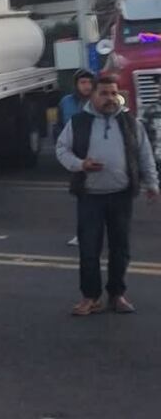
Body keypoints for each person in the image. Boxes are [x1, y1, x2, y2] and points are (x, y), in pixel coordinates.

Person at [56, 76, 159, 316]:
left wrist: (153, 184)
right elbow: (61, 149)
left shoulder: (130, 122)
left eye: (113, 93)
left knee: (120, 248)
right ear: (93, 96)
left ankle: (117, 295)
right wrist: (80, 164)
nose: (110, 99)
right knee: (89, 249)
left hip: (121, 196)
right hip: (90, 196)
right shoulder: (79, 122)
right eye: (104, 94)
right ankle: (90, 297)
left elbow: (144, 155)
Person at [57, 70, 97, 247]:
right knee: (82, 198)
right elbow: (59, 125)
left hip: (97, 154)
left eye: (89, 82)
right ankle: (82, 234)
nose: (86, 86)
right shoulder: (66, 102)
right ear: (76, 85)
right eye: (83, 82)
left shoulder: (98, 101)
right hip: (77, 156)